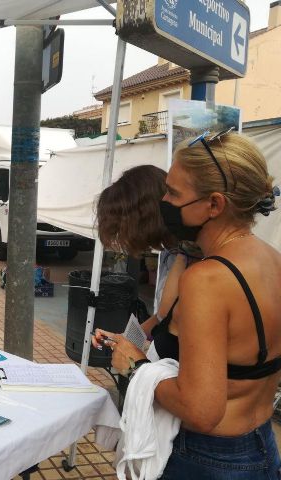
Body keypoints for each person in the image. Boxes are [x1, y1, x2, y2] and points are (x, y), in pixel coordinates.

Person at [95, 131, 281, 478]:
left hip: (206, 457)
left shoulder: (208, 279)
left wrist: (135, 366)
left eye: (173, 193)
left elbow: (201, 410)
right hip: (260, 447)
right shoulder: (272, 259)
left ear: (214, 204)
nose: (164, 201)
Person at [96, 165, 191, 337]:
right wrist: (126, 339)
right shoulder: (172, 252)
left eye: (124, 225)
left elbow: (168, 314)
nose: (124, 234)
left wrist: (138, 359)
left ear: (145, 217)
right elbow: (161, 317)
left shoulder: (195, 258)